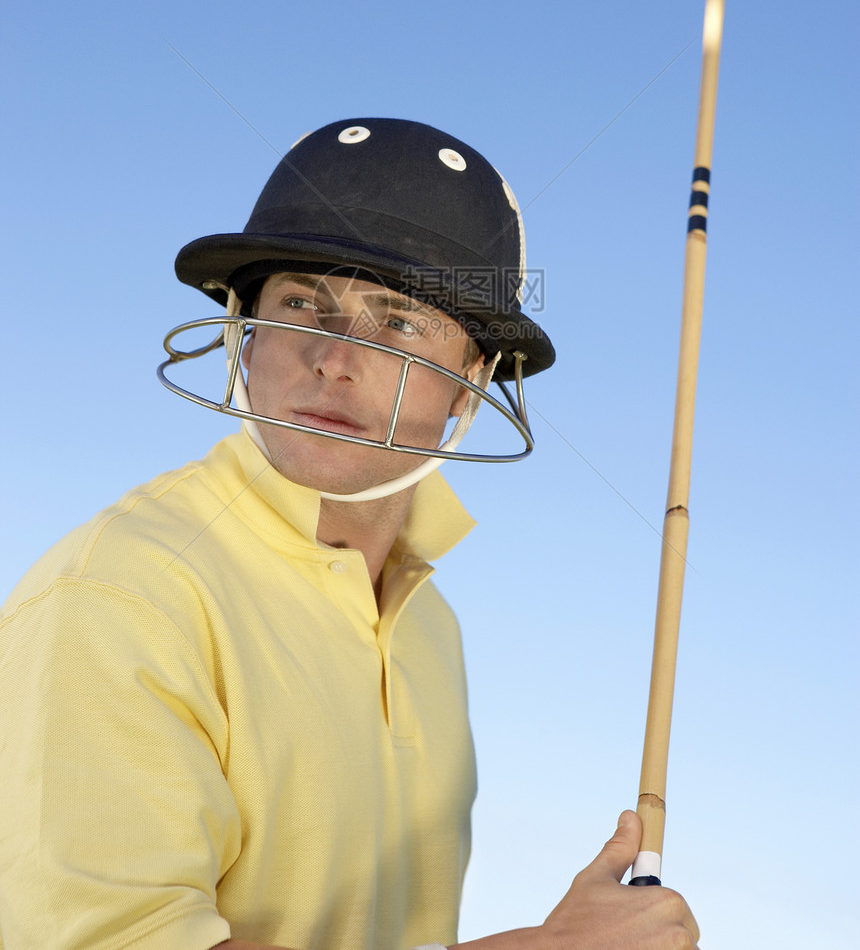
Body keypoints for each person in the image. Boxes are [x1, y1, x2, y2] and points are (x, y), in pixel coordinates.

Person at [0, 118, 699, 950]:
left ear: (471, 384)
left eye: (399, 322)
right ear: (245, 332)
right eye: (303, 302)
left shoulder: (432, 631)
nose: (335, 357)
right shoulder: (122, 591)